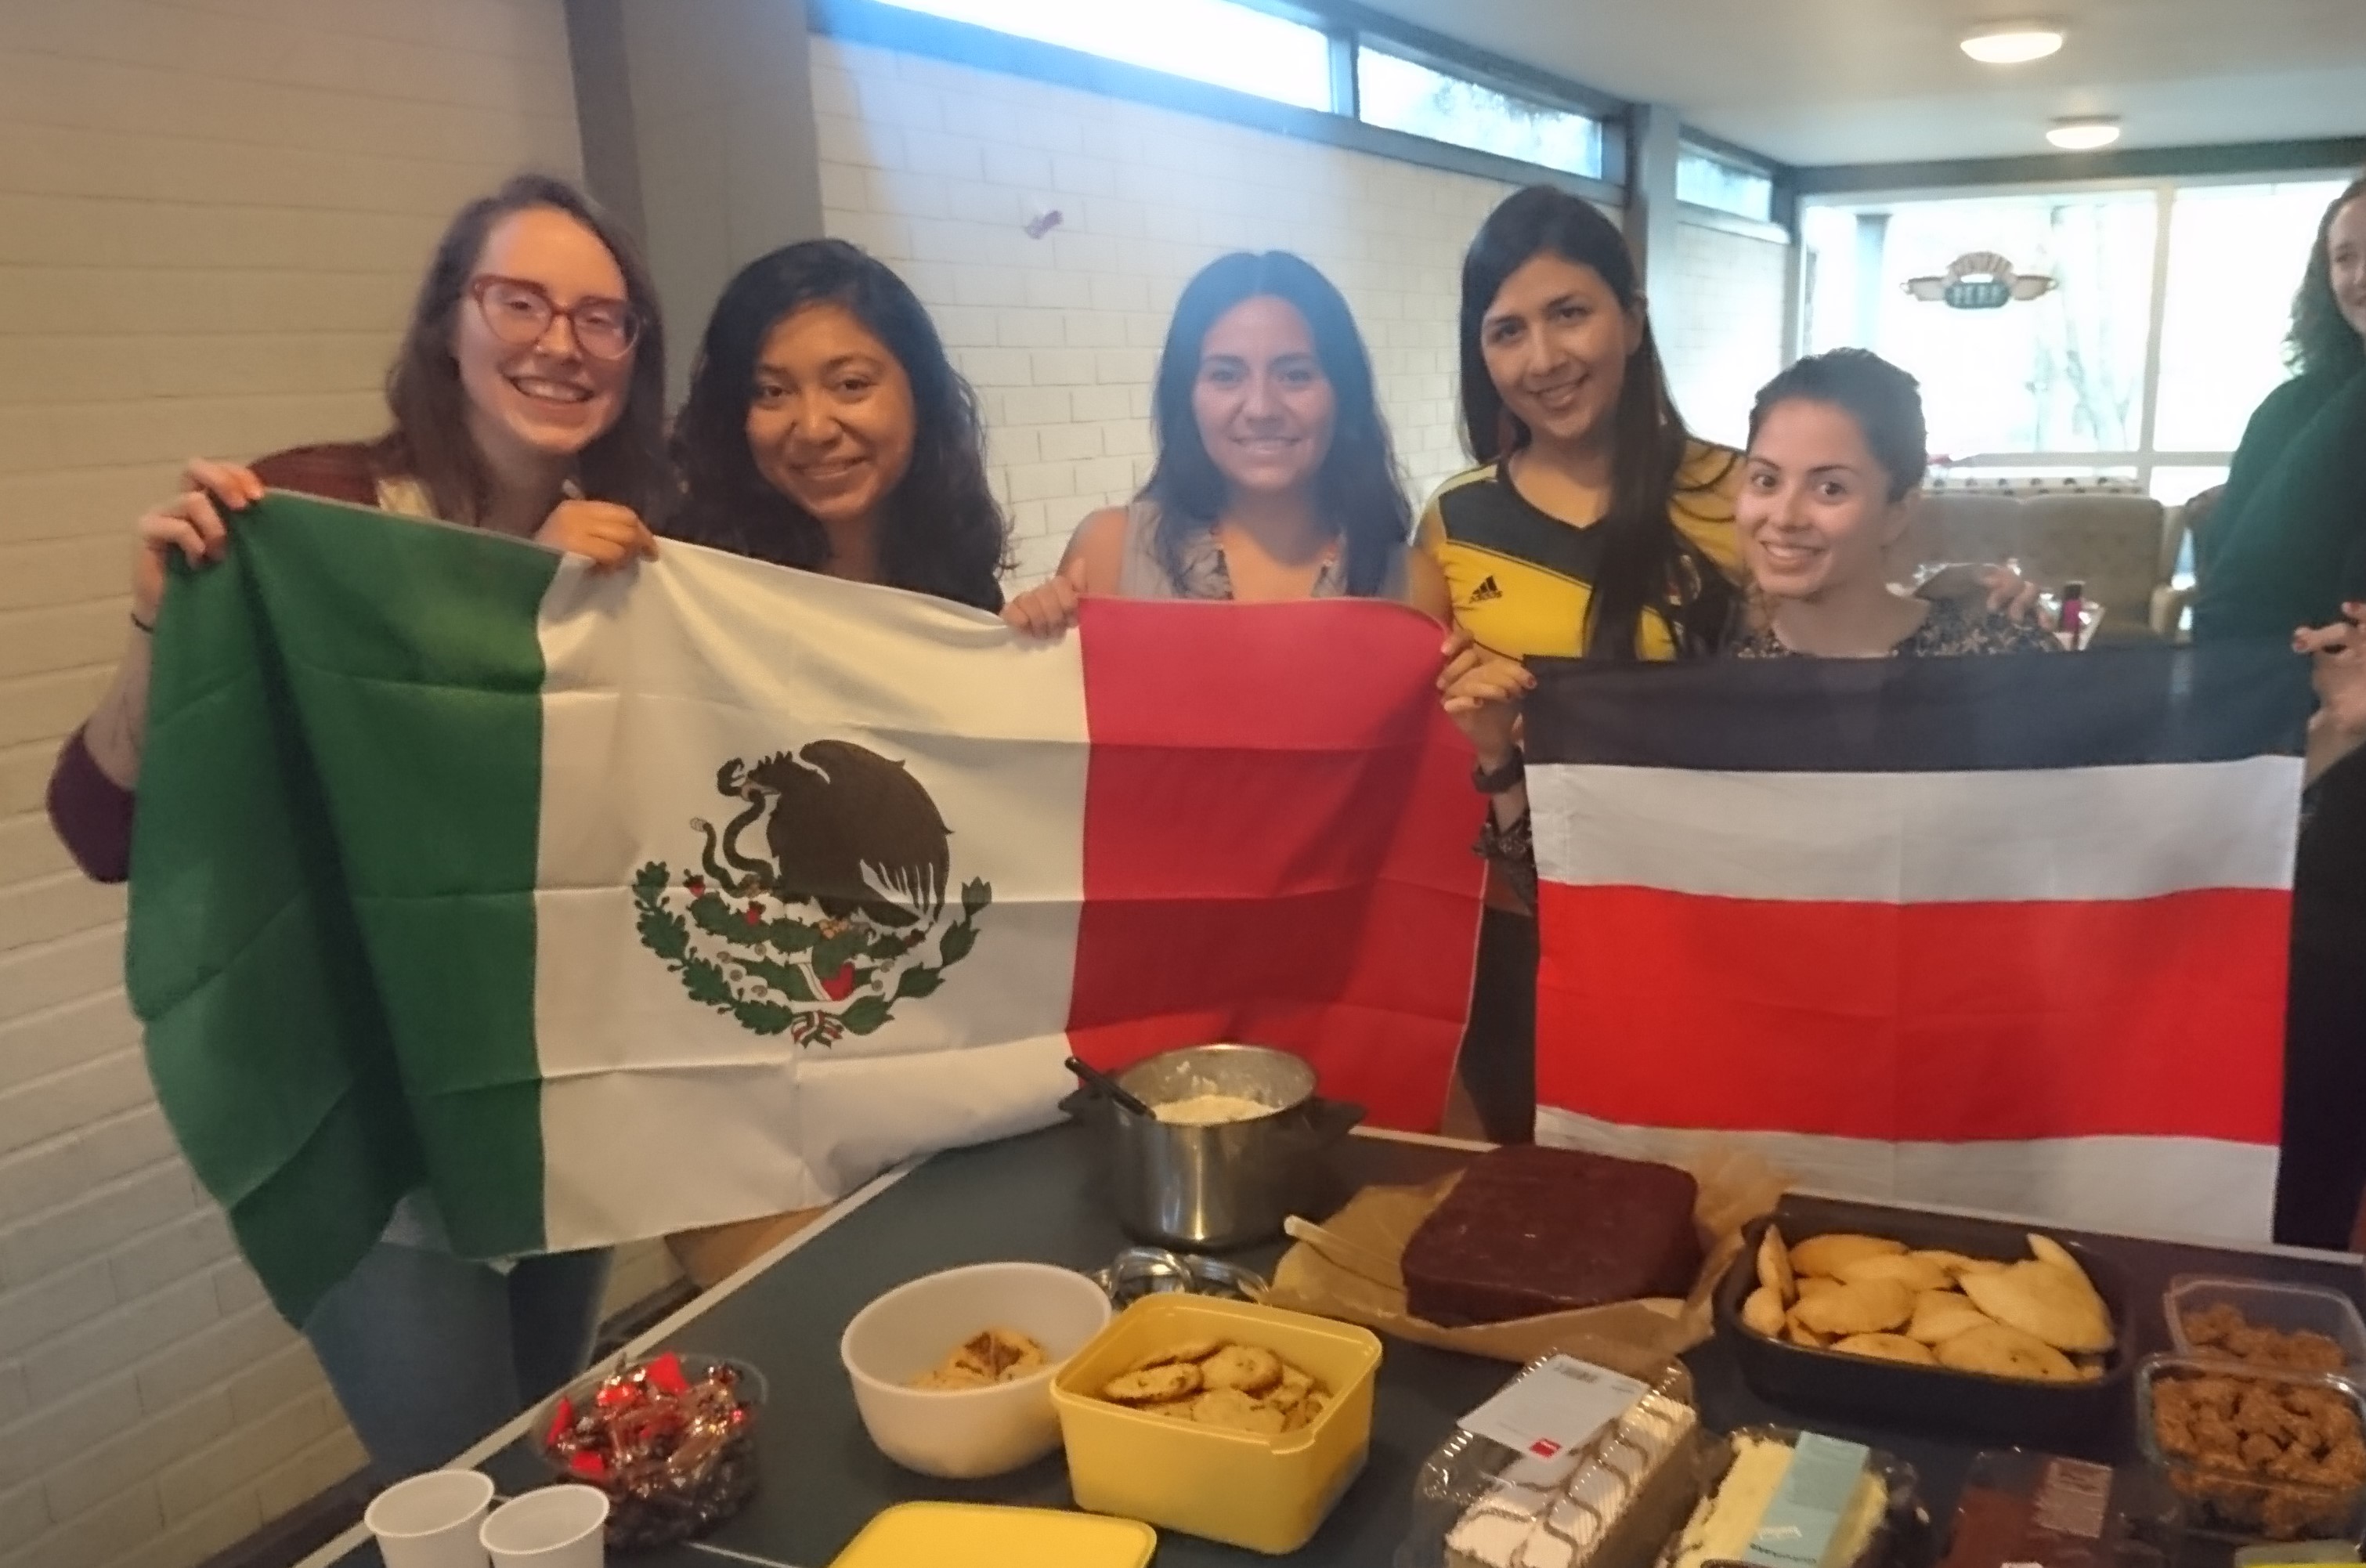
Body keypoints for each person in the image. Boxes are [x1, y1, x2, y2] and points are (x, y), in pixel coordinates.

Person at [43, 174, 670, 1479]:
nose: (561, 341)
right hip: (371, 1120)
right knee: (468, 1489)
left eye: (603, 318)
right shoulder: (310, 516)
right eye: (522, 300)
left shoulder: (622, 563)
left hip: (554, 1094)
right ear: (450, 320)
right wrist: (167, 621)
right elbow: (101, 823)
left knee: (547, 1466)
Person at [1426, 186, 2032, 1144]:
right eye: (1507, 330)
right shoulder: (1453, 520)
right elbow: (1421, 708)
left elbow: (1835, 638)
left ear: (1632, 319)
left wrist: (1961, 595)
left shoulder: (1735, 490)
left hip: (1734, 935)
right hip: (1529, 924)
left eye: (1570, 313)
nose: (1543, 359)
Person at [2191, 175, 2366, 1250]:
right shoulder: (2298, 414)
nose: (2362, 276)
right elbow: (2236, 603)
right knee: (2316, 1093)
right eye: (2345, 255)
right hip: (2332, 803)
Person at [1001, 249, 1449, 632]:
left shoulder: (1410, 586)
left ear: (1344, 395)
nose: (1261, 408)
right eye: (1226, 375)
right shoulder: (1110, 553)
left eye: (1295, 375)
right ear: (1187, 395)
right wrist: (1025, 642)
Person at [666, 238, 1008, 612]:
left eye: (850, 385)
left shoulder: (959, 577)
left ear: (920, 392)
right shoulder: (689, 584)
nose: (814, 429)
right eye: (772, 391)